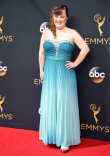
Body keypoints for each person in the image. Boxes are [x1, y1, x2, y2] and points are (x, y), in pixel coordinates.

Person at [38, 4, 90, 153]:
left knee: (64, 105)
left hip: (65, 74)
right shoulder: (46, 33)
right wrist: (41, 70)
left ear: (66, 18)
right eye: (56, 16)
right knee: (51, 103)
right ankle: (52, 136)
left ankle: (64, 140)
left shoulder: (72, 33)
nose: (59, 19)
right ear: (52, 17)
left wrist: (75, 63)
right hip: (49, 72)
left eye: (62, 16)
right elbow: (41, 53)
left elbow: (85, 49)